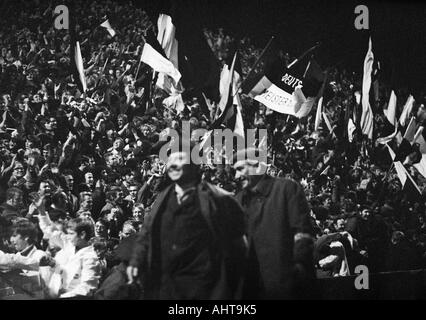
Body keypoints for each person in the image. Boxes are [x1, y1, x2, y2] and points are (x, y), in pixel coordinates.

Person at [127, 150, 247, 300]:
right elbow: (146, 233)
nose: (172, 164)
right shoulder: (162, 198)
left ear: (194, 167)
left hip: (202, 286)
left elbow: (238, 244)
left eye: (179, 160)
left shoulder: (218, 199)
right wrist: (136, 261)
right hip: (166, 285)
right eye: (170, 161)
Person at [233, 148, 315, 299]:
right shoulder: (238, 201)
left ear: (257, 166)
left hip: (285, 285)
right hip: (251, 288)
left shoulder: (286, 189)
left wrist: (298, 268)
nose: (236, 176)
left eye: (240, 169)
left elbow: (302, 233)